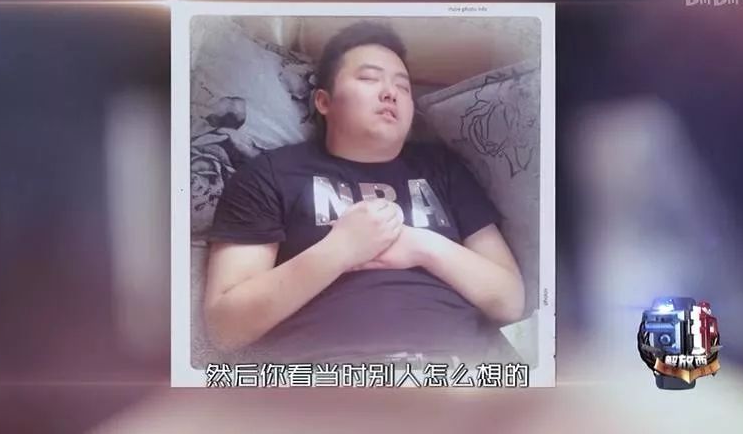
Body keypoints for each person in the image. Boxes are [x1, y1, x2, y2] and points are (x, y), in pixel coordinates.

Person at [203, 21, 525, 366]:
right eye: (369, 78)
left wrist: (422, 246)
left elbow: (509, 301)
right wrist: (341, 250)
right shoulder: (269, 174)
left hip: (459, 369)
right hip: (326, 375)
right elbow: (226, 327)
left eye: (403, 86)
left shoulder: (444, 169)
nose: (390, 93)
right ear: (323, 101)